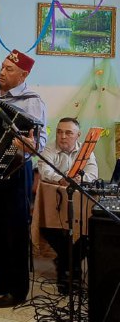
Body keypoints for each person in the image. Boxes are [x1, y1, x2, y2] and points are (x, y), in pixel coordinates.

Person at [0, 49, 47, 308]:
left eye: (9, 69)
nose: (2, 72)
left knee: (14, 230)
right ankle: (1, 279)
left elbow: (40, 140)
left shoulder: (32, 101)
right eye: (3, 67)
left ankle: (18, 289)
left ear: (23, 75)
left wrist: (31, 145)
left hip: (17, 171)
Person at [35, 117, 97, 290]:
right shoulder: (49, 149)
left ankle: (66, 266)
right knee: (47, 227)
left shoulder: (86, 151)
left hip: (78, 206)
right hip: (54, 205)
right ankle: (72, 268)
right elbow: (44, 171)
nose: (62, 136)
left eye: (68, 133)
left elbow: (93, 174)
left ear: (78, 135)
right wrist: (62, 179)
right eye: (59, 132)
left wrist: (80, 179)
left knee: (88, 229)